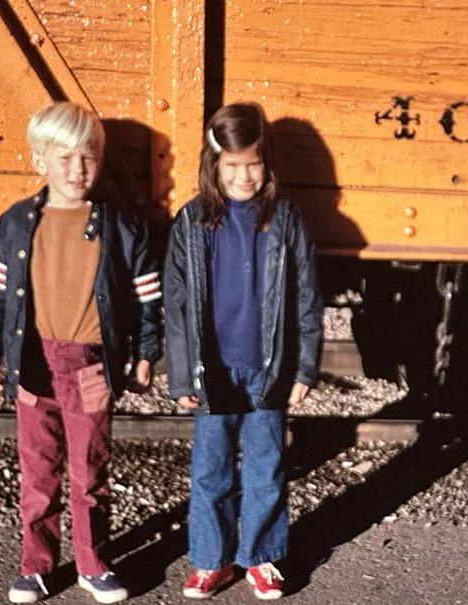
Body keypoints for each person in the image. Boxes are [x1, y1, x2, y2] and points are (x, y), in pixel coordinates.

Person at [0, 101, 162, 604]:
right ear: (39, 160)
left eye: (88, 158)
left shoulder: (122, 227)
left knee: (90, 468)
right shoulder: (15, 224)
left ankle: (92, 563)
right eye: (65, 158)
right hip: (32, 362)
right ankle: (36, 565)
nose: (78, 170)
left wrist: (146, 353)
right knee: (38, 471)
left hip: (91, 365)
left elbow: (147, 299)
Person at [163, 102, 323, 600]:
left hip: (269, 369)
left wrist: (305, 366)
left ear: (267, 163)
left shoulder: (287, 220)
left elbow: (307, 296)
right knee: (210, 470)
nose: (244, 175)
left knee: (266, 468)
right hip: (214, 370)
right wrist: (182, 376)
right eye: (232, 165)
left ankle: (261, 557)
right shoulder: (192, 221)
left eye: (253, 163)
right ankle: (212, 560)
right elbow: (177, 302)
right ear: (214, 166)